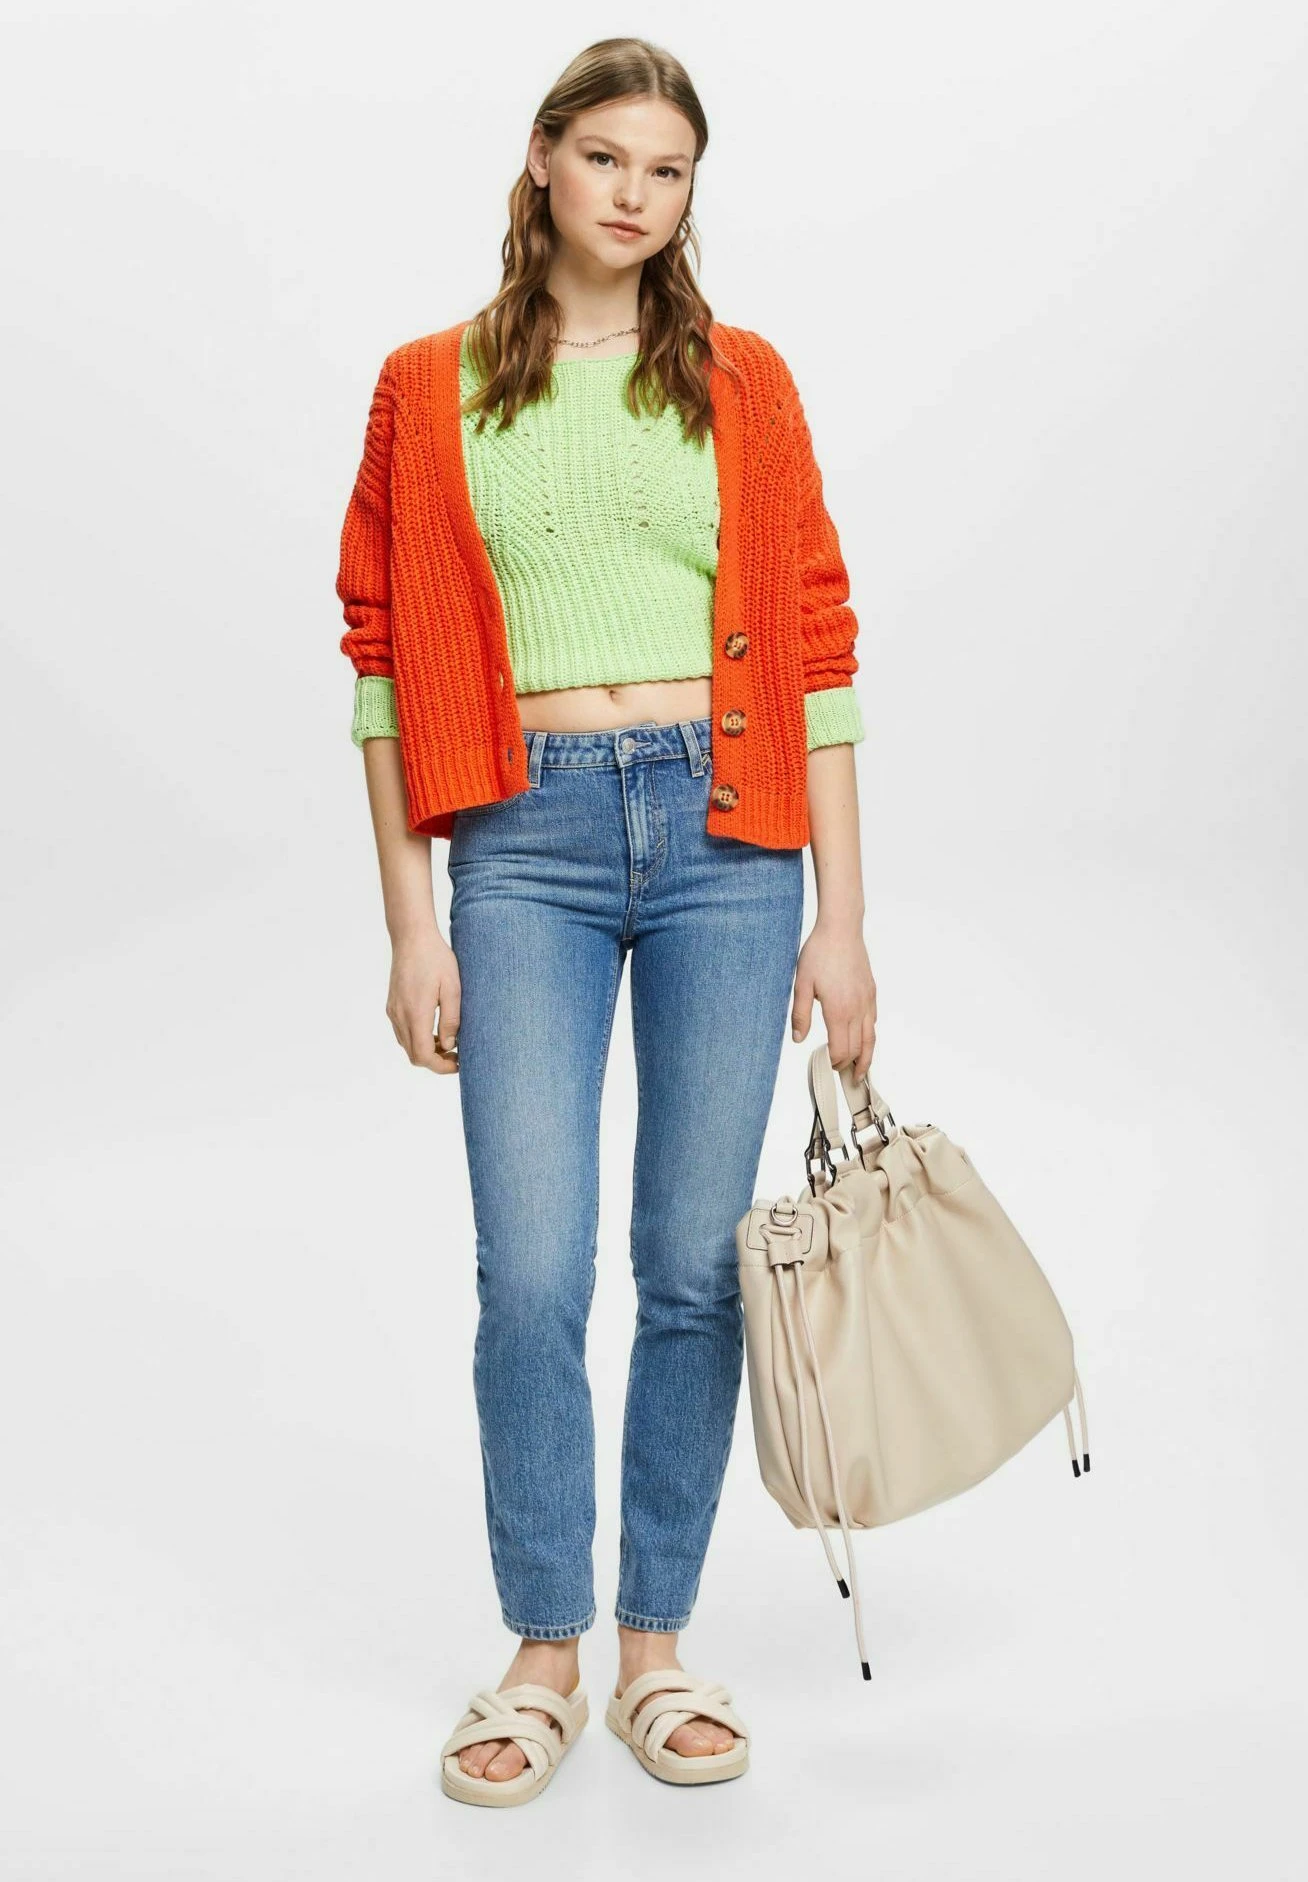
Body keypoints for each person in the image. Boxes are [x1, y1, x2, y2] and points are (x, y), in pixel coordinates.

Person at [336, 36, 879, 1804]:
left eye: (670, 169)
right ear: (543, 160)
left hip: (730, 836)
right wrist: (411, 922)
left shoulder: (745, 382)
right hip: (525, 841)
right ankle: (542, 1650)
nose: (636, 194)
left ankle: (654, 1644)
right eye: (608, 157)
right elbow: (381, 666)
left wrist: (844, 921)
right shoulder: (427, 390)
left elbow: (817, 651)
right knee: (532, 1268)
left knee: (693, 1266)